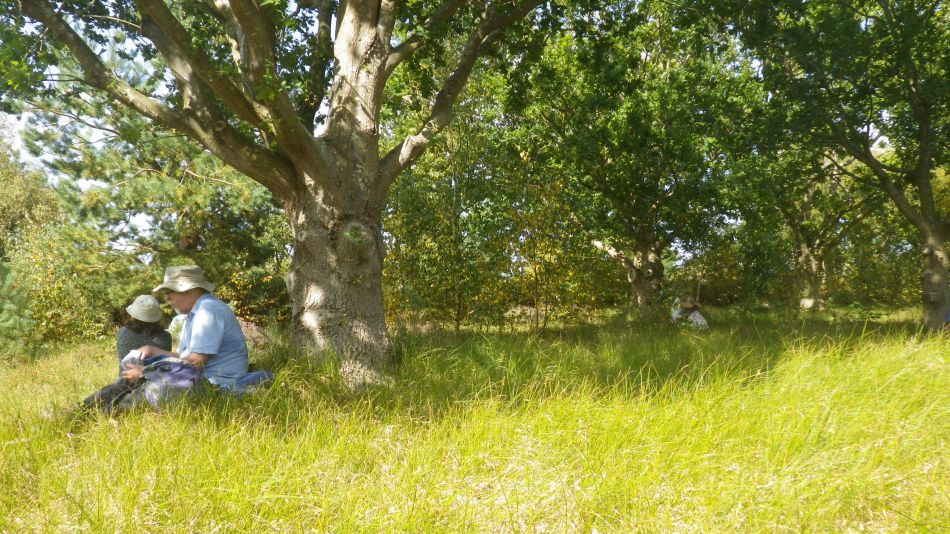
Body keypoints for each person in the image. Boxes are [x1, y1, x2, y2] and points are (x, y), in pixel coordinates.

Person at [123, 265, 251, 390]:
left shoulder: (209, 310)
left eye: (168, 292)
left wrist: (146, 372)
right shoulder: (194, 313)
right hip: (200, 379)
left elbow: (195, 363)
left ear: (186, 290)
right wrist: (151, 350)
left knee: (139, 394)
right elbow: (184, 357)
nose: (166, 298)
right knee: (119, 390)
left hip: (217, 384)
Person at [115, 294, 172, 377]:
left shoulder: (123, 332)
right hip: (157, 383)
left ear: (133, 314)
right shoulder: (165, 337)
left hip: (126, 382)